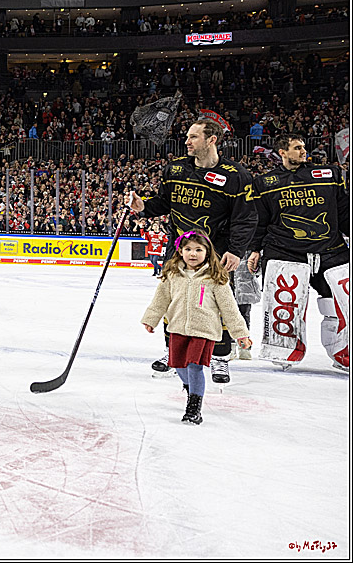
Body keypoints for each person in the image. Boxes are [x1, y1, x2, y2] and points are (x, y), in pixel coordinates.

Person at [127, 118, 255, 385]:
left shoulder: (236, 175)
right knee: (173, 300)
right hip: (178, 251)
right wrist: (143, 207)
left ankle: (220, 356)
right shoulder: (175, 169)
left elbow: (244, 218)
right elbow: (163, 203)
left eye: (193, 137)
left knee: (219, 304)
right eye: (187, 136)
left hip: (216, 253)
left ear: (212, 140)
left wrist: (235, 250)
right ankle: (172, 352)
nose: (186, 141)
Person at [247, 134, 350, 372]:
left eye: (303, 147)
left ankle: (343, 353)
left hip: (330, 250)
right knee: (284, 304)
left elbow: (344, 210)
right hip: (285, 252)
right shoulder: (264, 182)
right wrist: (254, 249)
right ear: (282, 152)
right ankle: (284, 350)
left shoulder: (329, 174)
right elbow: (260, 220)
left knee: (340, 304)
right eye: (297, 147)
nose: (303, 151)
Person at [142, 231, 253, 424]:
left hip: (204, 330)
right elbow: (160, 299)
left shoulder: (215, 277)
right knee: (179, 365)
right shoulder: (172, 274)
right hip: (177, 328)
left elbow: (229, 308)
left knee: (194, 366)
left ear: (207, 252)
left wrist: (241, 334)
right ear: (180, 251)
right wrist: (151, 319)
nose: (193, 254)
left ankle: (194, 407)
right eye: (188, 249)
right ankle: (190, 387)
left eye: (198, 250)